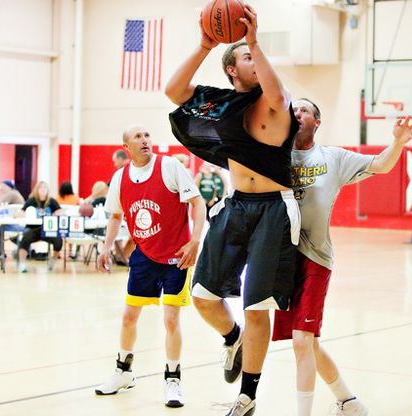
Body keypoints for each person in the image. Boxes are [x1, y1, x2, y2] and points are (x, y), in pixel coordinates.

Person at [166, 5, 301, 414]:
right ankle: (232, 339)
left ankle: (248, 396)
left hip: (274, 208)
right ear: (231, 69)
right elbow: (174, 91)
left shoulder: (275, 102)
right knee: (203, 297)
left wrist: (255, 43)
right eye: (246, 57)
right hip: (236, 205)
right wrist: (205, 44)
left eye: (255, 57)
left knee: (257, 306)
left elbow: (277, 94)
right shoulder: (222, 104)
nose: (255, 63)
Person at [270, 99, 412, 416]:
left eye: (305, 111)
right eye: (294, 110)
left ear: (317, 122)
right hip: (280, 259)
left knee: (301, 340)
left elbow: (380, 165)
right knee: (307, 343)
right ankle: (349, 402)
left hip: (315, 257)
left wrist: (397, 142)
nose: (297, 114)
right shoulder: (273, 155)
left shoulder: (333, 157)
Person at [94, 125, 205, 409]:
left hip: (176, 255)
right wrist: (106, 248)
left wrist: (195, 240)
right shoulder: (120, 177)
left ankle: (173, 379)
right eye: (137, 137)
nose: (145, 140)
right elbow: (116, 217)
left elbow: (197, 202)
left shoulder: (169, 166)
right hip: (144, 255)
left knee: (170, 319)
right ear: (126, 146)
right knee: (129, 317)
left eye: (147, 136)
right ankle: (123, 372)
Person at [17, 181, 63, 273]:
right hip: (33, 229)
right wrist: (27, 214)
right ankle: (22, 263)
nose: (42, 190)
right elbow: (21, 213)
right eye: (40, 188)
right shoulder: (31, 201)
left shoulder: (51, 201)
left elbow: (60, 211)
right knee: (25, 238)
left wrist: (56, 214)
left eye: (45, 188)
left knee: (58, 241)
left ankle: (53, 261)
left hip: (48, 229)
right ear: (37, 190)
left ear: (47, 190)